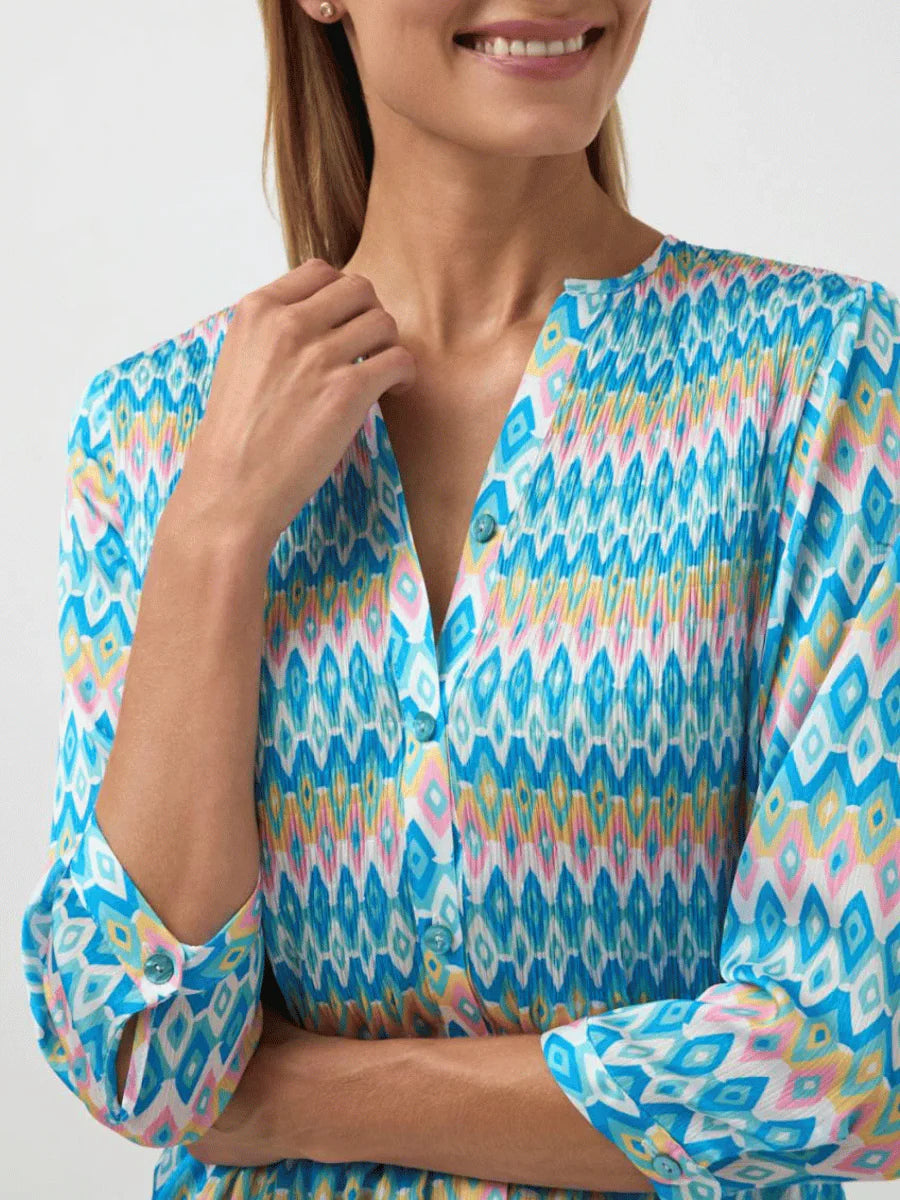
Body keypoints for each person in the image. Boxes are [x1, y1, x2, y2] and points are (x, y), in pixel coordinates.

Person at [19, 1, 900, 1199]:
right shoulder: (156, 433)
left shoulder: (822, 380)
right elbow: (147, 1064)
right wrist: (213, 543)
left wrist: (294, 1098)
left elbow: (845, 1064)